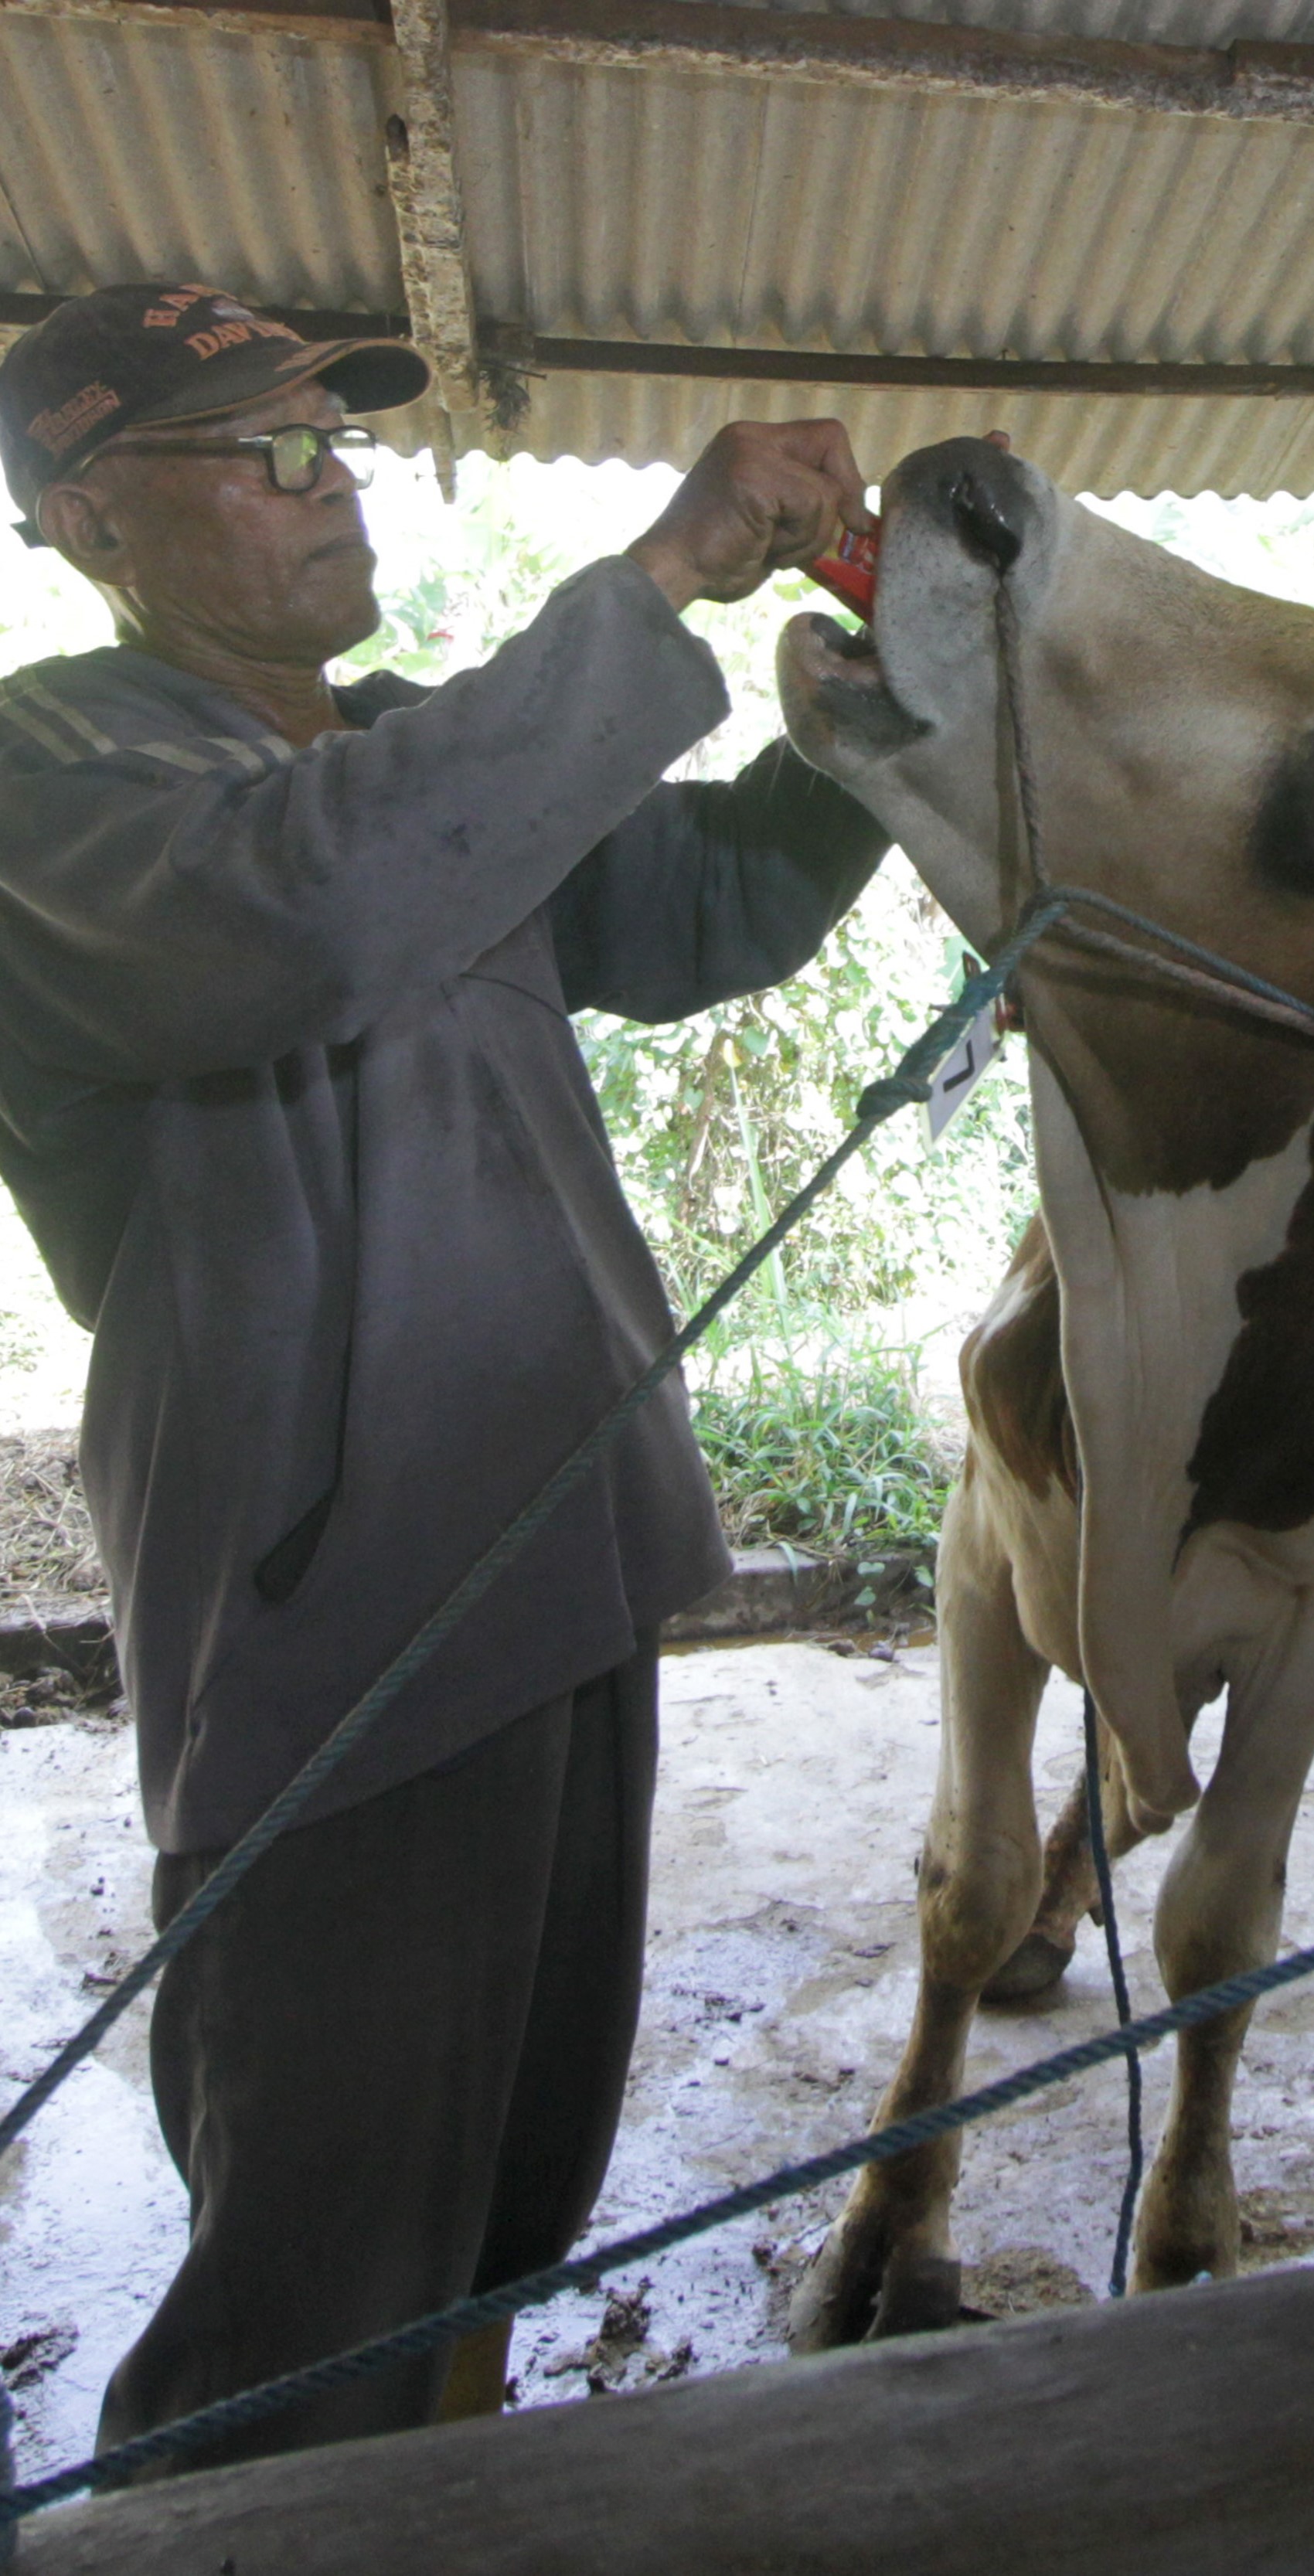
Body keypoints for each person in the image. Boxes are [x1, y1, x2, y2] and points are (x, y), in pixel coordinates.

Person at [0, 282, 890, 2470]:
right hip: (339, 1611)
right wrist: (663, 574)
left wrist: (871, 734)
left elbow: (703, 912)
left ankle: (446, 2497)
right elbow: (306, 913)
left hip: (565, 1556)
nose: (337, 488)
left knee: (505, 2197)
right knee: (319, 2281)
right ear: (93, 519)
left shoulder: (412, 758)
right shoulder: (55, 781)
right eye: (273, 449)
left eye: (344, 442)